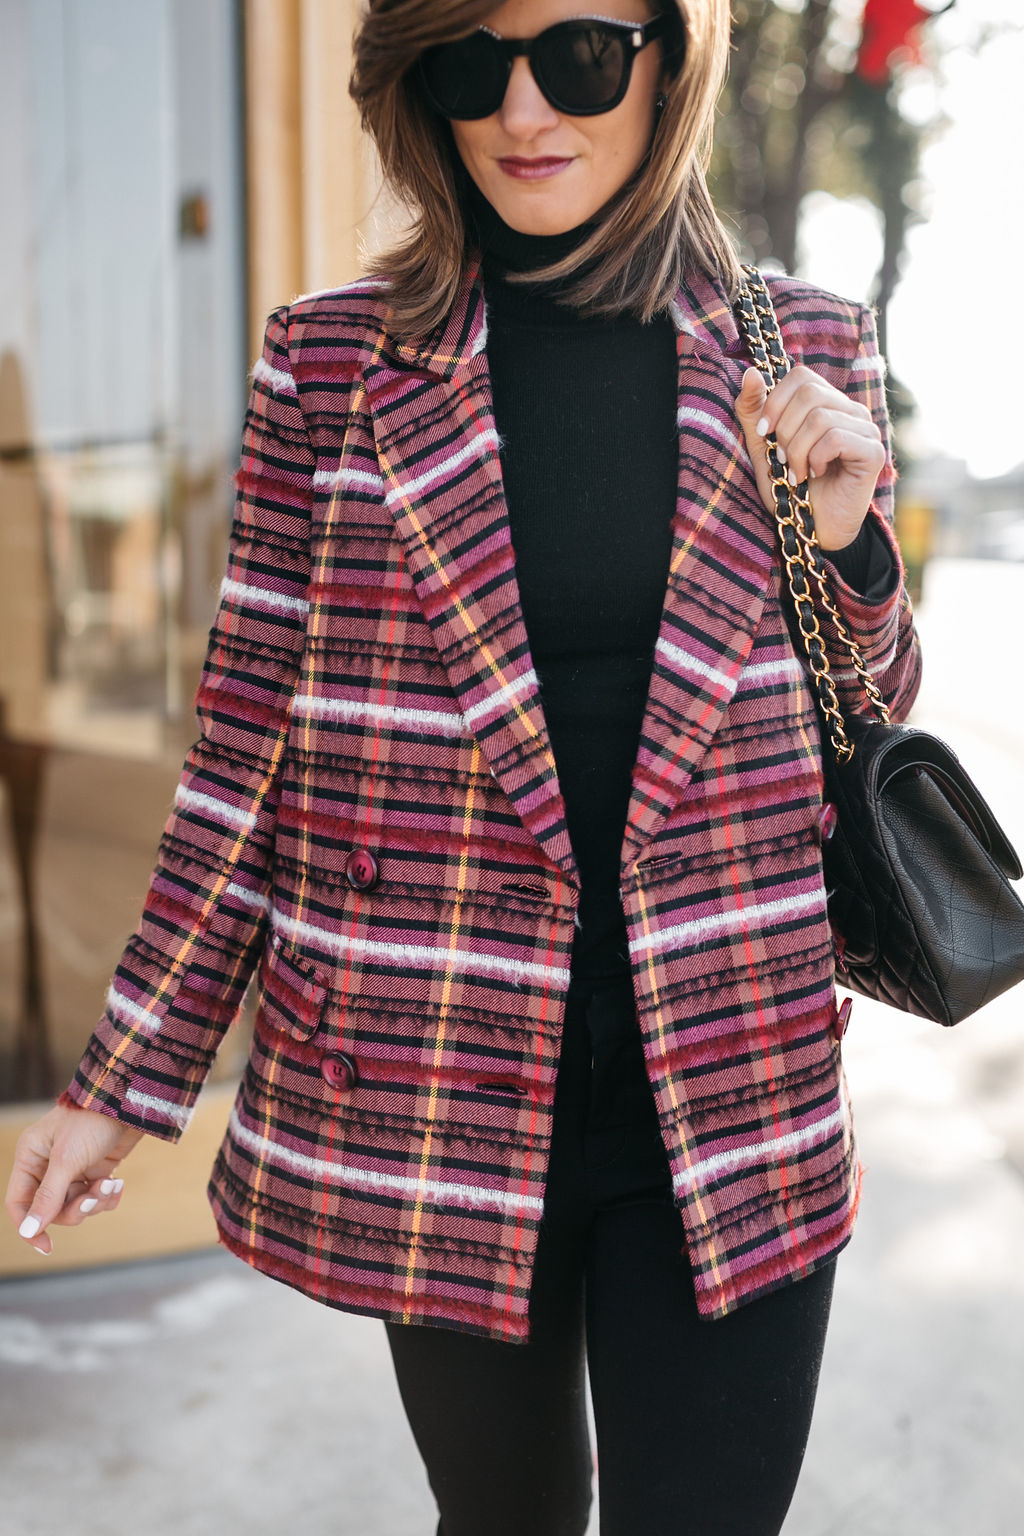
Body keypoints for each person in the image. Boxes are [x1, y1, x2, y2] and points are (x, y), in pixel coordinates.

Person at [6, 1, 922, 1531]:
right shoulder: (330, 366)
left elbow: (868, 714)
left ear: (665, 59)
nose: (517, 108)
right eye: (463, 63)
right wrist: (130, 1079)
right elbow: (247, 755)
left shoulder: (806, 344)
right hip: (433, 1091)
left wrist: (852, 545)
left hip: (732, 1083)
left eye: (572, 53)